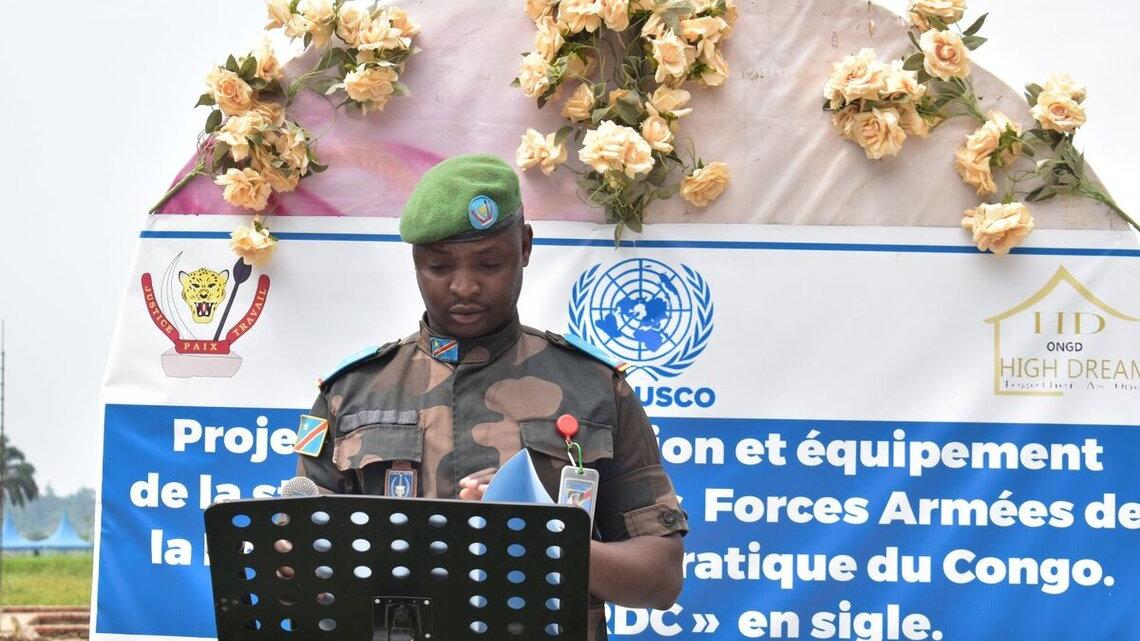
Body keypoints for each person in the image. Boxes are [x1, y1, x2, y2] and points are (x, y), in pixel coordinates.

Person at [297, 154, 686, 640]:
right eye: (439, 266)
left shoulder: (596, 389)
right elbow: (303, 570)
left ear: (525, 247)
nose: (464, 287)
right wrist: (289, 554)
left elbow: (660, 579)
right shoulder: (350, 393)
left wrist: (544, 538)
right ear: (414, 262)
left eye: (489, 263)